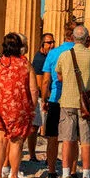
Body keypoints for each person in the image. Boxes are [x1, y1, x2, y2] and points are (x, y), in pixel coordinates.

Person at [0, 32, 38, 178]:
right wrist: (32, 107)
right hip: (19, 106)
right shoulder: (25, 64)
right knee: (16, 142)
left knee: (0, 141)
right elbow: (33, 90)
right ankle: (13, 176)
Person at [55, 24, 90, 178]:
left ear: (73, 38)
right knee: (85, 141)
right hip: (86, 104)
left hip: (67, 101)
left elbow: (59, 76)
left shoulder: (63, 55)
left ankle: (66, 176)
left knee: (67, 140)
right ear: (86, 39)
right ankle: (86, 176)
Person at [42, 24, 75, 178]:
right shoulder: (82, 52)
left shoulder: (54, 53)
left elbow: (46, 79)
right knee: (72, 138)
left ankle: (51, 172)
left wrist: (44, 98)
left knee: (53, 138)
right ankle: (72, 172)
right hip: (73, 99)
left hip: (55, 98)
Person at [28, 33, 55, 162]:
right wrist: (47, 97)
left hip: (44, 96)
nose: (52, 45)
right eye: (49, 42)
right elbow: (40, 82)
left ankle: (47, 156)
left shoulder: (48, 57)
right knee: (35, 127)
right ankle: (33, 155)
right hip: (40, 97)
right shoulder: (39, 59)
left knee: (42, 127)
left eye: (53, 42)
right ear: (42, 44)